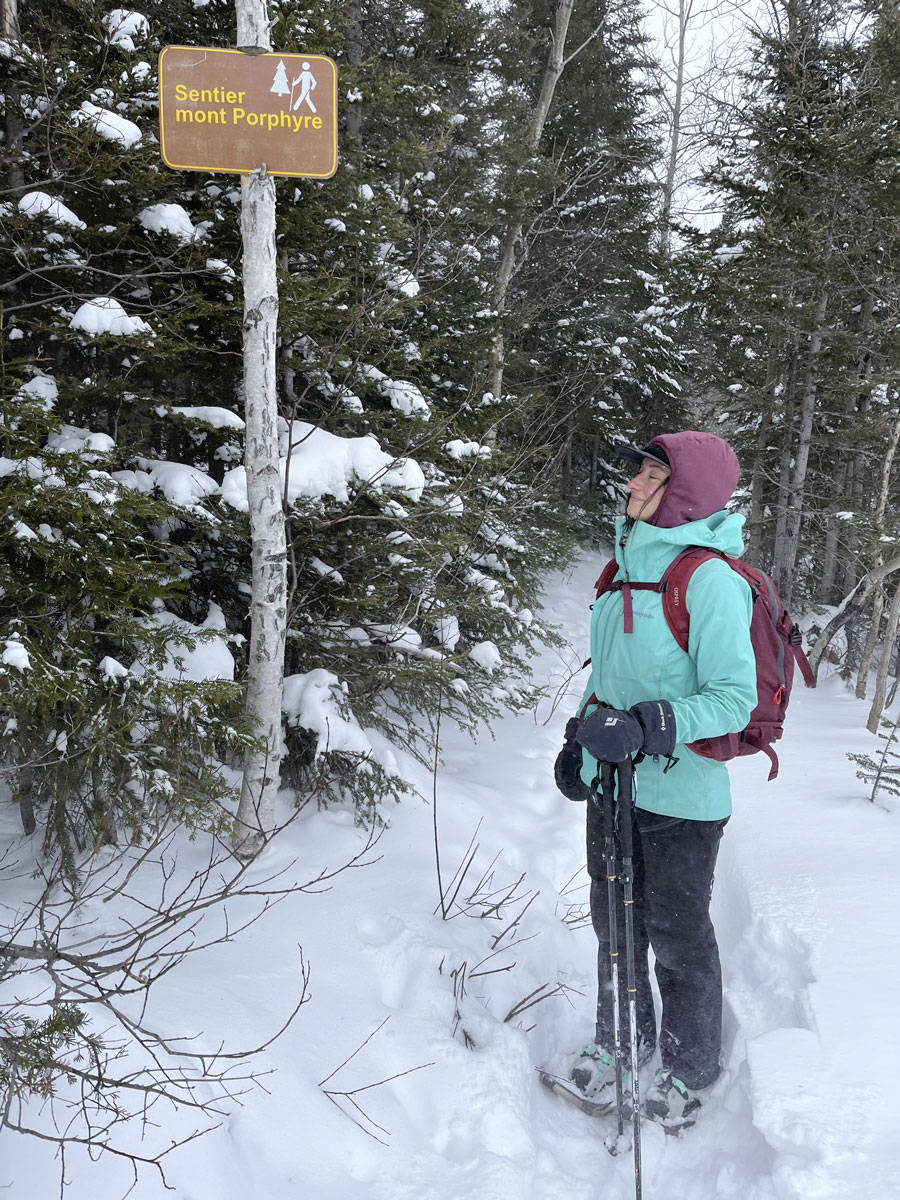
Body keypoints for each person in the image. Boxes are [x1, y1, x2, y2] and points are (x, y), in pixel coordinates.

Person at [554, 430, 757, 1122]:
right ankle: (621, 1040)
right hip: (614, 788)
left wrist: (650, 725)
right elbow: (605, 681)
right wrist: (580, 742)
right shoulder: (620, 572)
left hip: (683, 796)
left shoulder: (710, 581)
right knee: (614, 925)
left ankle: (689, 1067)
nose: (634, 485)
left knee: (676, 935)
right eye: (637, 473)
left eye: (649, 476)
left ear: (686, 494)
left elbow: (736, 695)